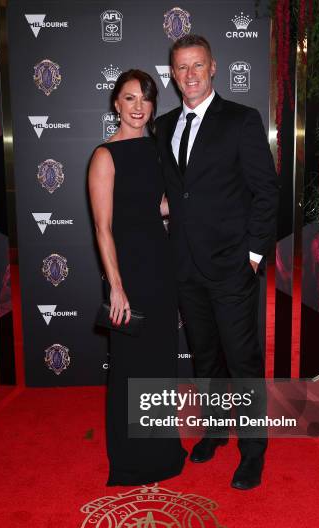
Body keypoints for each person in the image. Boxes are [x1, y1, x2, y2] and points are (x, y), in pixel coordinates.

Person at [155, 35, 279, 490]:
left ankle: (253, 451)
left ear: (213, 69)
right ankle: (215, 429)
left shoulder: (242, 121)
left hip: (231, 267)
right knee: (205, 360)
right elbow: (173, 192)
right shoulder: (164, 125)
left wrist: (250, 256)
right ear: (173, 74)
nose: (189, 75)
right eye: (180, 68)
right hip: (185, 266)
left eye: (197, 66)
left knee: (243, 363)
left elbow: (266, 191)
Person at [88, 69, 187, 486]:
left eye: (145, 98)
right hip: (127, 271)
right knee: (130, 365)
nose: (138, 107)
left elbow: (158, 207)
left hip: (160, 266)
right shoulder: (104, 156)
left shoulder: (158, 150)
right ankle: (131, 460)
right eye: (129, 98)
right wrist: (116, 287)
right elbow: (103, 228)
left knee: (160, 363)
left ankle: (162, 450)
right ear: (116, 104)